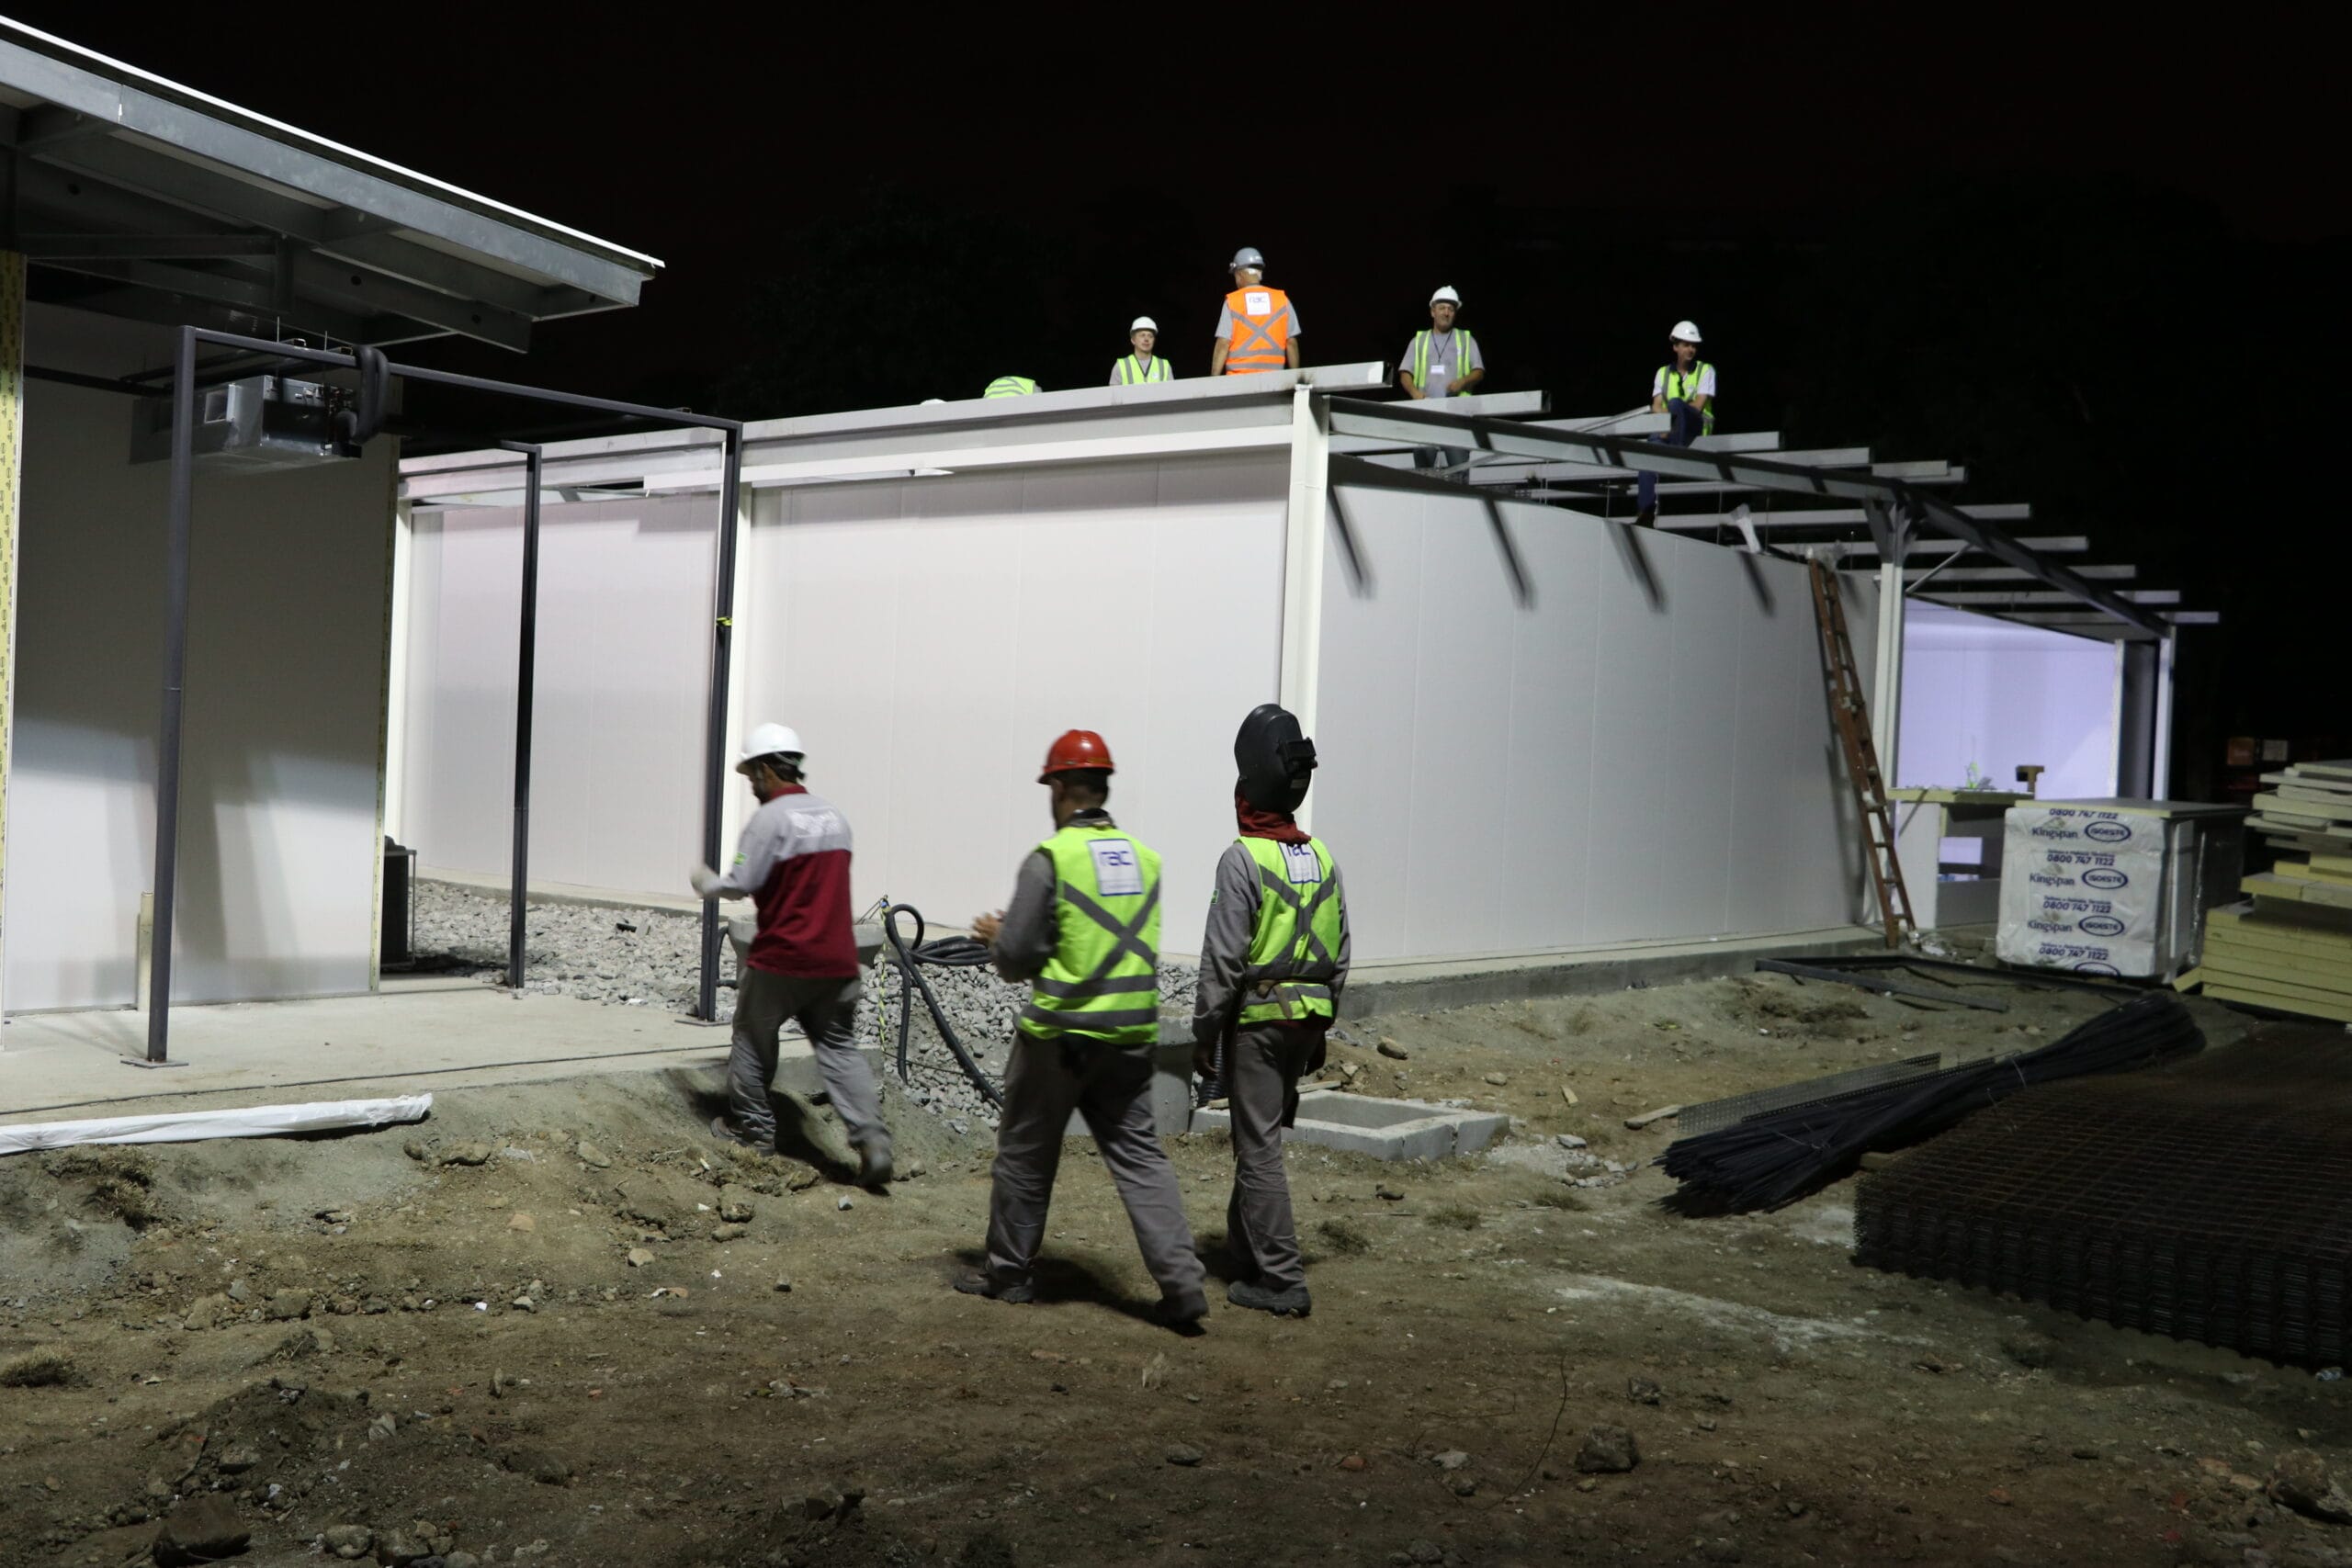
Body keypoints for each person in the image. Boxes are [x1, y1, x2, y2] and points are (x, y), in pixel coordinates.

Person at [956, 730, 1209, 1329]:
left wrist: (999, 939)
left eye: (1052, 785)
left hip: (1060, 1038)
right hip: (1129, 1038)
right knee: (1141, 1158)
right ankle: (1184, 1286)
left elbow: (1017, 958)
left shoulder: (1051, 860)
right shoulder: (1145, 861)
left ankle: (1010, 1272)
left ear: (1064, 787)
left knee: (1024, 1151)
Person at [1193, 704, 1350, 1318]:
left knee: (1257, 1146)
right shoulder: (1324, 860)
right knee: (1257, 1135)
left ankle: (1282, 1279)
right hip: (1305, 1020)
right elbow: (1339, 954)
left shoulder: (1242, 860)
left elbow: (1222, 959)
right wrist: (1321, 1027)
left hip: (1259, 1021)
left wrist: (1204, 1033)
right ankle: (1245, 1249)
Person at [690, 723, 892, 1185]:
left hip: (783, 957)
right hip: (838, 961)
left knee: (751, 1040)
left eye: (751, 776)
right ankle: (873, 1140)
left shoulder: (770, 820)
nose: (751, 786)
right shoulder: (835, 818)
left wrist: (707, 883)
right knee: (840, 1049)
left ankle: (754, 1135)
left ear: (765, 770)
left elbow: (741, 883)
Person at [1634, 321, 1716, 526]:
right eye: (1686, 344)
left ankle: (1675, 457)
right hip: (1669, 434)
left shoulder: (1705, 370)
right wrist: (1666, 425)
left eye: (1694, 345)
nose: (1691, 349)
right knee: (1646, 455)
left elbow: (1697, 406)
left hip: (1694, 430)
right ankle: (1646, 511)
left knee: (1677, 404)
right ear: (1675, 346)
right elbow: (1656, 405)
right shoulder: (1663, 373)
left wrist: (1668, 421)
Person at [1396, 285, 1484, 473]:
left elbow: (1478, 371)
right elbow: (1405, 373)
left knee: (1459, 471)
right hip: (1426, 414)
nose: (1446, 313)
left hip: (1457, 416)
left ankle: (1460, 500)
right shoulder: (1419, 340)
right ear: (1432, 311)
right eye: (1442, 308)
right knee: (1424, 471)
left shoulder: (1466, 339)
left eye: (1451, 309)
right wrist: (1415, 393)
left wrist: (1463, 382)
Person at [1209, 247, 1301, 376]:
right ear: (1260, 273)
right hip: (1274, 380)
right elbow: (1291, 343)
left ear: (1240, 274)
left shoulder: (1233, 302)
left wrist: (1213, 379)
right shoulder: (1281, 300)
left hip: (1239, 382)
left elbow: (1223, 343)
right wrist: (1295, 379)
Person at [1111, 318, 1173, 386]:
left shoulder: (1164, 366)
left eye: (1150, 336)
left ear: (1154, 340)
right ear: (1133, 340)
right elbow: (1114, 394)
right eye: (1142, 335)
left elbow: (1171, 393)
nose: (1146, 339)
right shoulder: (1121, 366)